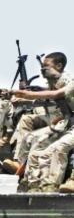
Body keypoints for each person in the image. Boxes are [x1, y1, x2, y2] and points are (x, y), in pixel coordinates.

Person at [7, 52, 74, 193]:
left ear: (59, 66)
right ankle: (31, 184)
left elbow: (55, 95)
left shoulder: (69, 81)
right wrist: (23, 98)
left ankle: (50, 187)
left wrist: (24, 94)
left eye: (46, 67)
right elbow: (48, 97)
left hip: (70, 126)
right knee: (35, 147)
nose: (42, 70)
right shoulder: (55, 82)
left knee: (58, 149)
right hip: (67, 123)